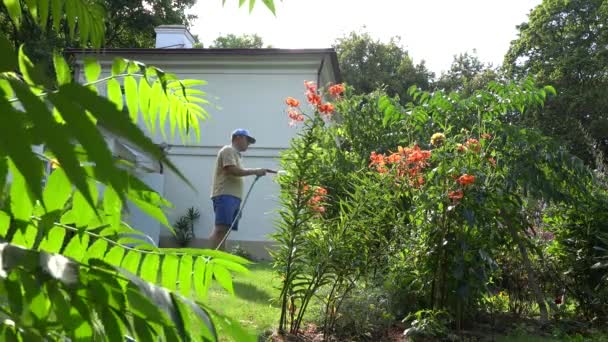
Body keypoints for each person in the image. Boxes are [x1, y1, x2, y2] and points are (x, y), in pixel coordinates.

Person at [208, 128, 269, 250]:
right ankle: (211, 260)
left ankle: (220, 260)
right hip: (225, 195)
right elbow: (233, 170)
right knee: (221, 229)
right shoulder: (228, 150)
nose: (249, 144)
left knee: (225, 230)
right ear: (238, 138)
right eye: (248, 140)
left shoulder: (236, 155)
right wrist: (255, 171)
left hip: (233, 197)